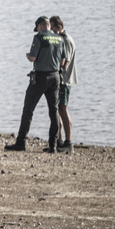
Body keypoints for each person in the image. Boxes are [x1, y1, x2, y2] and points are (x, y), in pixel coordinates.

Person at [6, 16, 66, 153]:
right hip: (55, 76)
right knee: (54, 111)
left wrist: (28, 56)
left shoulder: (39, 38)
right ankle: (53, 146)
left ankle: (21, 142)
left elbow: (32, 57)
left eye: (37, 28)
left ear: (40, 26)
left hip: (40, 77)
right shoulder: (60, 39)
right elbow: (63, 62)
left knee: (28, 109)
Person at [50, 15, 77, 153]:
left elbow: (64, 63)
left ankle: (68, 142)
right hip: (62, 79)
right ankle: (59, 140)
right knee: (58, 110)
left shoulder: (66, 40)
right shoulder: (62, 39)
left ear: (59, 27)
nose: (50, 32)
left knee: (62, 109)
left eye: (52, 28)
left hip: (64, 80)